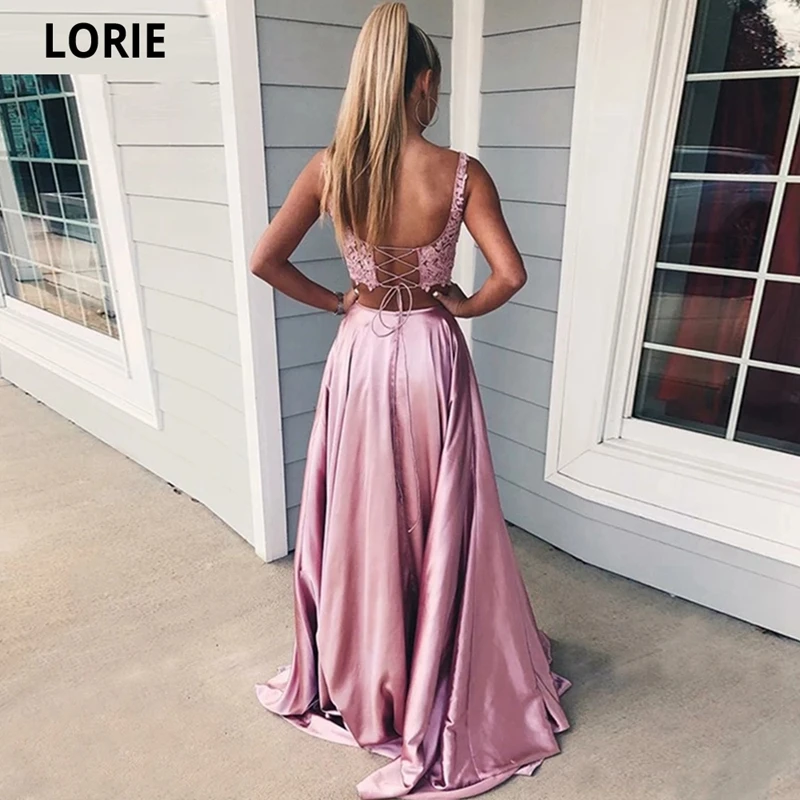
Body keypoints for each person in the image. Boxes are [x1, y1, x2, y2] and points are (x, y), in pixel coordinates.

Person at [250, 3, 572, 798]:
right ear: (424, 82)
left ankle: (368, 666)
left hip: (360, 354)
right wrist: (462, 307)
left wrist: (339, 302)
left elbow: (266, 260)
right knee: (440, 510)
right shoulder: (460, 173)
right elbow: (510, 275)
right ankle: (438, 663)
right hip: (430, 352)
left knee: (364, 509)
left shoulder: (332, 168)